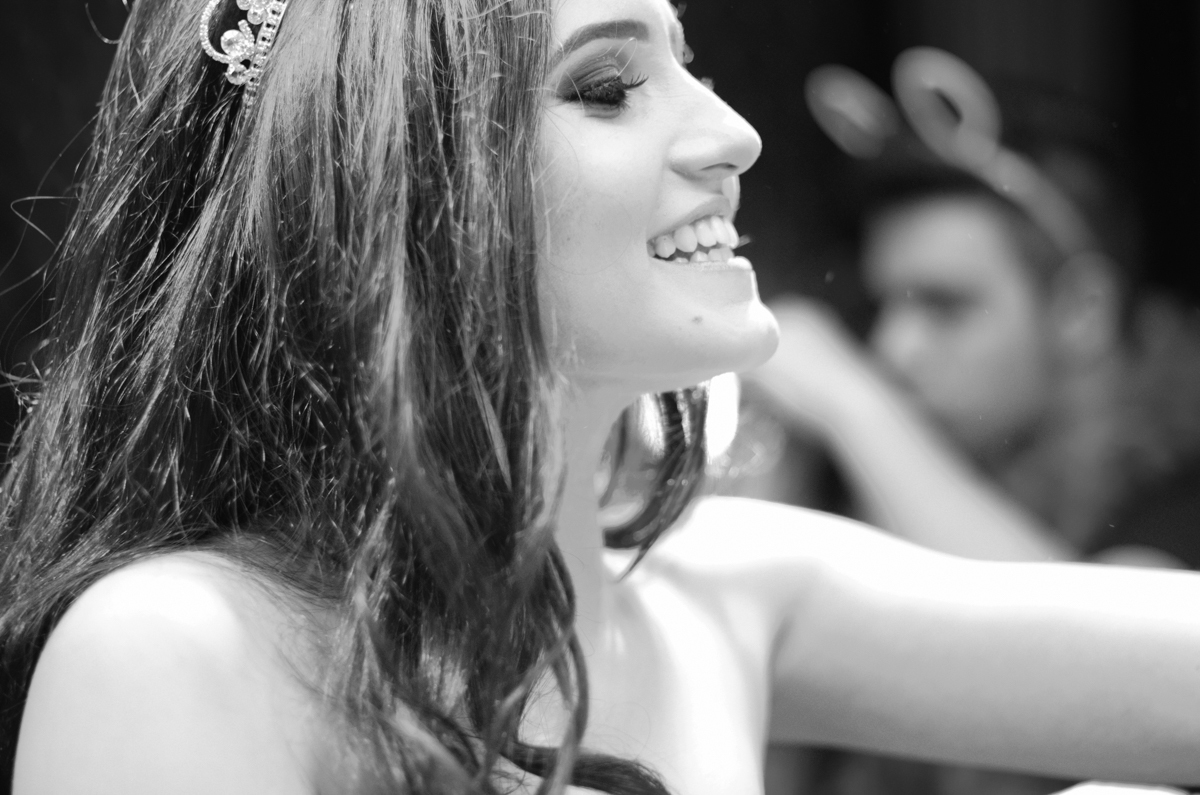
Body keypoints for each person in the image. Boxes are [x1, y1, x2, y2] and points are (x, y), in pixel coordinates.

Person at [2, 4, 1200, 795]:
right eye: (610, 86)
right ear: (387, 187)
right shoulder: (181, 651)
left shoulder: (739, 590)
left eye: (692, 65)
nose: (734, 134)